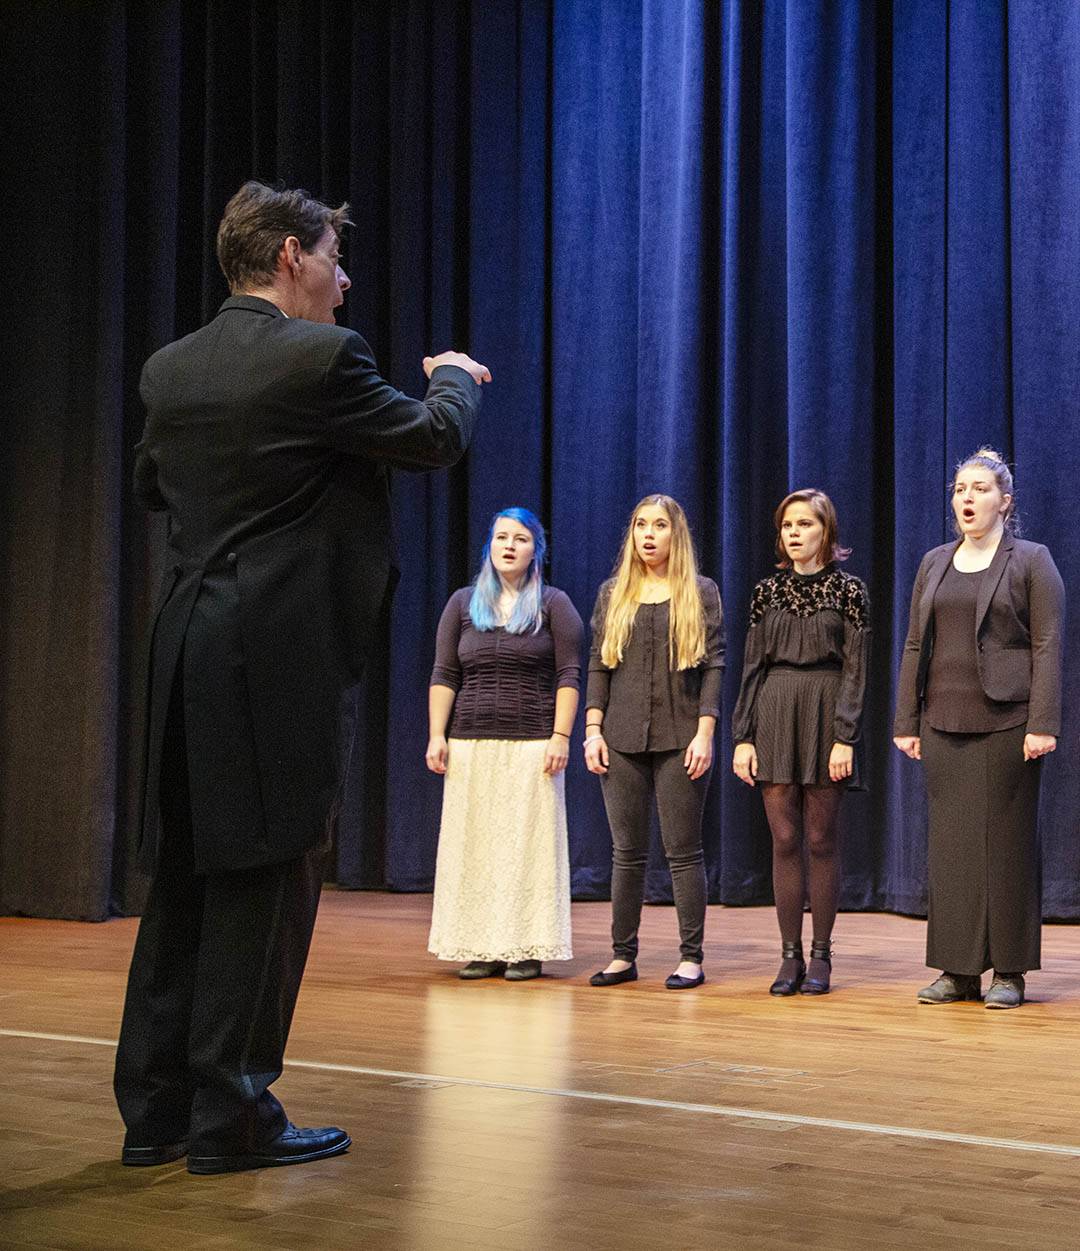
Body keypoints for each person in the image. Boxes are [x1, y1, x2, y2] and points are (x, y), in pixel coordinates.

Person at [114, 180, 489, 1174]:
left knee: (186, 875)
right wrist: (456, 376)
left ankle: (154, 1112)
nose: (343, 276)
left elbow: (151, 484)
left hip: (184, 644)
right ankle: (232, 1117)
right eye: (332, 256)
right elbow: (433, 437)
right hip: (272, 656)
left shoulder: (170, 367)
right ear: (290, 256)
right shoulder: (323, 358)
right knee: (269, 876)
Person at [893, 447, 1063, 1009]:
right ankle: (958, 970)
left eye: (980, 489)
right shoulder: (935, 562)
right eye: (960, 489)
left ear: (1005, 502)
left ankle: (1009, 971)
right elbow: (915, 643)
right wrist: (906, 719)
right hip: (944, 720)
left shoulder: (1031, 560)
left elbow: (1047, 644)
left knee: (1007, 848)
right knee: (952, 850)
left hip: (1008, 721)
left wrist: (1043, 722)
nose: (967, 498)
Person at [425, 509, 583, 980]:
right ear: (489, 546)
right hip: (470, 744)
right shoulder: (462, 603)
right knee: (476, 848)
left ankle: (524, 948)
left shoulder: (554, 604)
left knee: (525, 849)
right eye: (501, 537)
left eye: (520, 539)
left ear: (537, 550)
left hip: (531, 745)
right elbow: (444, 673)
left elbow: (569, 675)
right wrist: (437, 735)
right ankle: (482, 946)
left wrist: (560, 736)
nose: (509, 546)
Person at [732, 490, 869, 996]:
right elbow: (751, 667)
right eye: (787, 525)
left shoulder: (849, 590)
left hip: (826, 711)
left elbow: (856, 669)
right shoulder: (767, 592)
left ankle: (821, 955)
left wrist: (845, 736)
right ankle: (789, 955)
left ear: (825, 531)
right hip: (775, 712)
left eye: (805, 524)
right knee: (785, 839)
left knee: (820, 838)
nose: (794, 533)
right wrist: (743, 736)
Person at [584, 495, 724, 990]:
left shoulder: (700, 592)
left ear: (674, 534)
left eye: (659, 525)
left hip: (680, 737)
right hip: (621, 737)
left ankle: (691, 958)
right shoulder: (613, 593)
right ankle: (622, 956)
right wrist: (592, 730)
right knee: (627, 852)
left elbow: (714, 665)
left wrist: (705, 732)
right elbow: (599, 664)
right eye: (641, 525)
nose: (648, 534)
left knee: (683, 851)